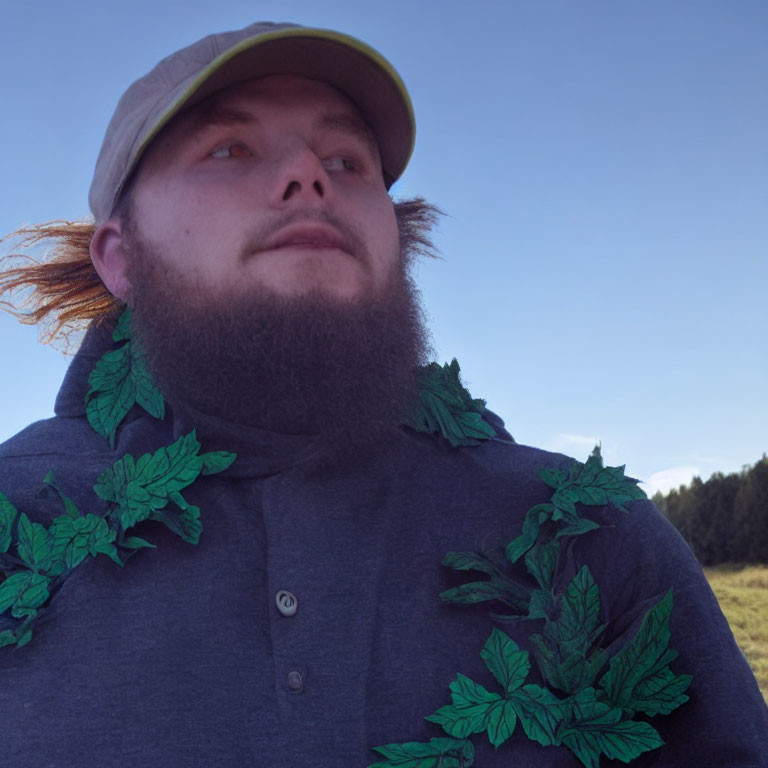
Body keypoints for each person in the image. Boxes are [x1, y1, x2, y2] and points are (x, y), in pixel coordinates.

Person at [0, 21, 765, 768]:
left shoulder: (590, 536)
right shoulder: (15, 521)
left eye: (347, 159)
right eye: (230, 148)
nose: (310, 175)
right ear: (119, 256)